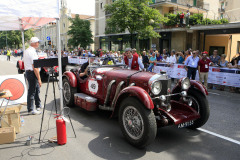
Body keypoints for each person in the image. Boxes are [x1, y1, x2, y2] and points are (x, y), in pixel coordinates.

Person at [24, 37, 42, 115]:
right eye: (38, 42)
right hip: (32, 73)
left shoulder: (28, 50)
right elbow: (35, 67)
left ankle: (38, 105)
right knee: (32, 91)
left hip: (29, 72)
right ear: (34, 43)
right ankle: (31, 109)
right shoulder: (32, 52)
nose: (38, 43)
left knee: (36, 89)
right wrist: (39, 78)